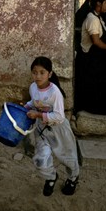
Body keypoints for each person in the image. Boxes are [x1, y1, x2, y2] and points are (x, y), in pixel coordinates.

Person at [24, 56, 80, 196]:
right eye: (34, 72)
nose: (37, 76)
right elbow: (34, 101)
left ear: (50, 74)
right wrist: (26, 107)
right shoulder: (33, 87)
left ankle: (72, 178)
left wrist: (38, 115)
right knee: (41, 160)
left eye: (42, 72)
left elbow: (60, 116)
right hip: (42, 130)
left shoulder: (55, 92)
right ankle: (51, 177)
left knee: (68, 158)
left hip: (59, 130)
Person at [75, 0, 106, 113]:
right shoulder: (92, 19)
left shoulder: (98, 18)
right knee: (92, 88)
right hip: (89, 60)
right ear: (99, 3)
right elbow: (96, 41)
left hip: (95, 59)